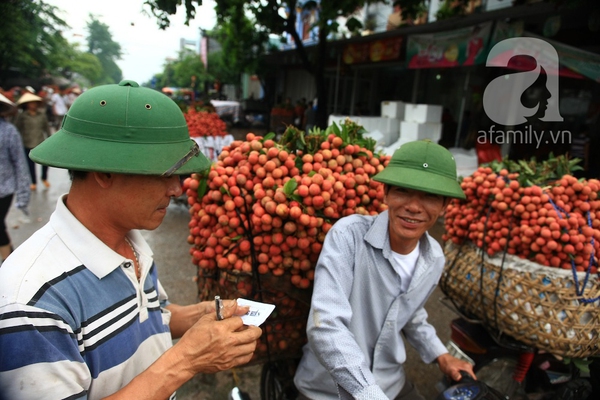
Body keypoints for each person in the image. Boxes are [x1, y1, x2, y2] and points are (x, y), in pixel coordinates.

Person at [0, 80, 262, 399]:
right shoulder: (30, 303)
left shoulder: (131, 242)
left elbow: (154, 317)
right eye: (166, 173)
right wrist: (185, 362)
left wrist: (207, 313)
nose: (178, 189)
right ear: (104, 172)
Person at [293, 140, 475, 400]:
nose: (413, 206)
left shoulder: (434, 257)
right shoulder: (348, 236)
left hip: (390, 384)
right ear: (386, 194)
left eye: (430, 196)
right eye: (403, 191)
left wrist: (442, 355)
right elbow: (326, 325)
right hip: (327, 389)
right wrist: (369, 394)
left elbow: (410, 314)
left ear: (444, 206)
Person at [0, 93, 31, 263]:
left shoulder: (9, 131)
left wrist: (23, 195)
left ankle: (8, 262)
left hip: (4, 187)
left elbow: (20, 163)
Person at [14, 92, 52, 190]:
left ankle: (44, 178)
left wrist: (50, 139)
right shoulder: (22, 116)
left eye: (34, 103)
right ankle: (33, 182)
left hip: (40, 142)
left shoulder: (42, 115)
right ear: (27, 105)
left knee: (45, 162)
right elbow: (17, 129)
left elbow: (46, 128)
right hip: (27, 142)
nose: (33, 105)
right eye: (31, 103)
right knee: (30, 165)